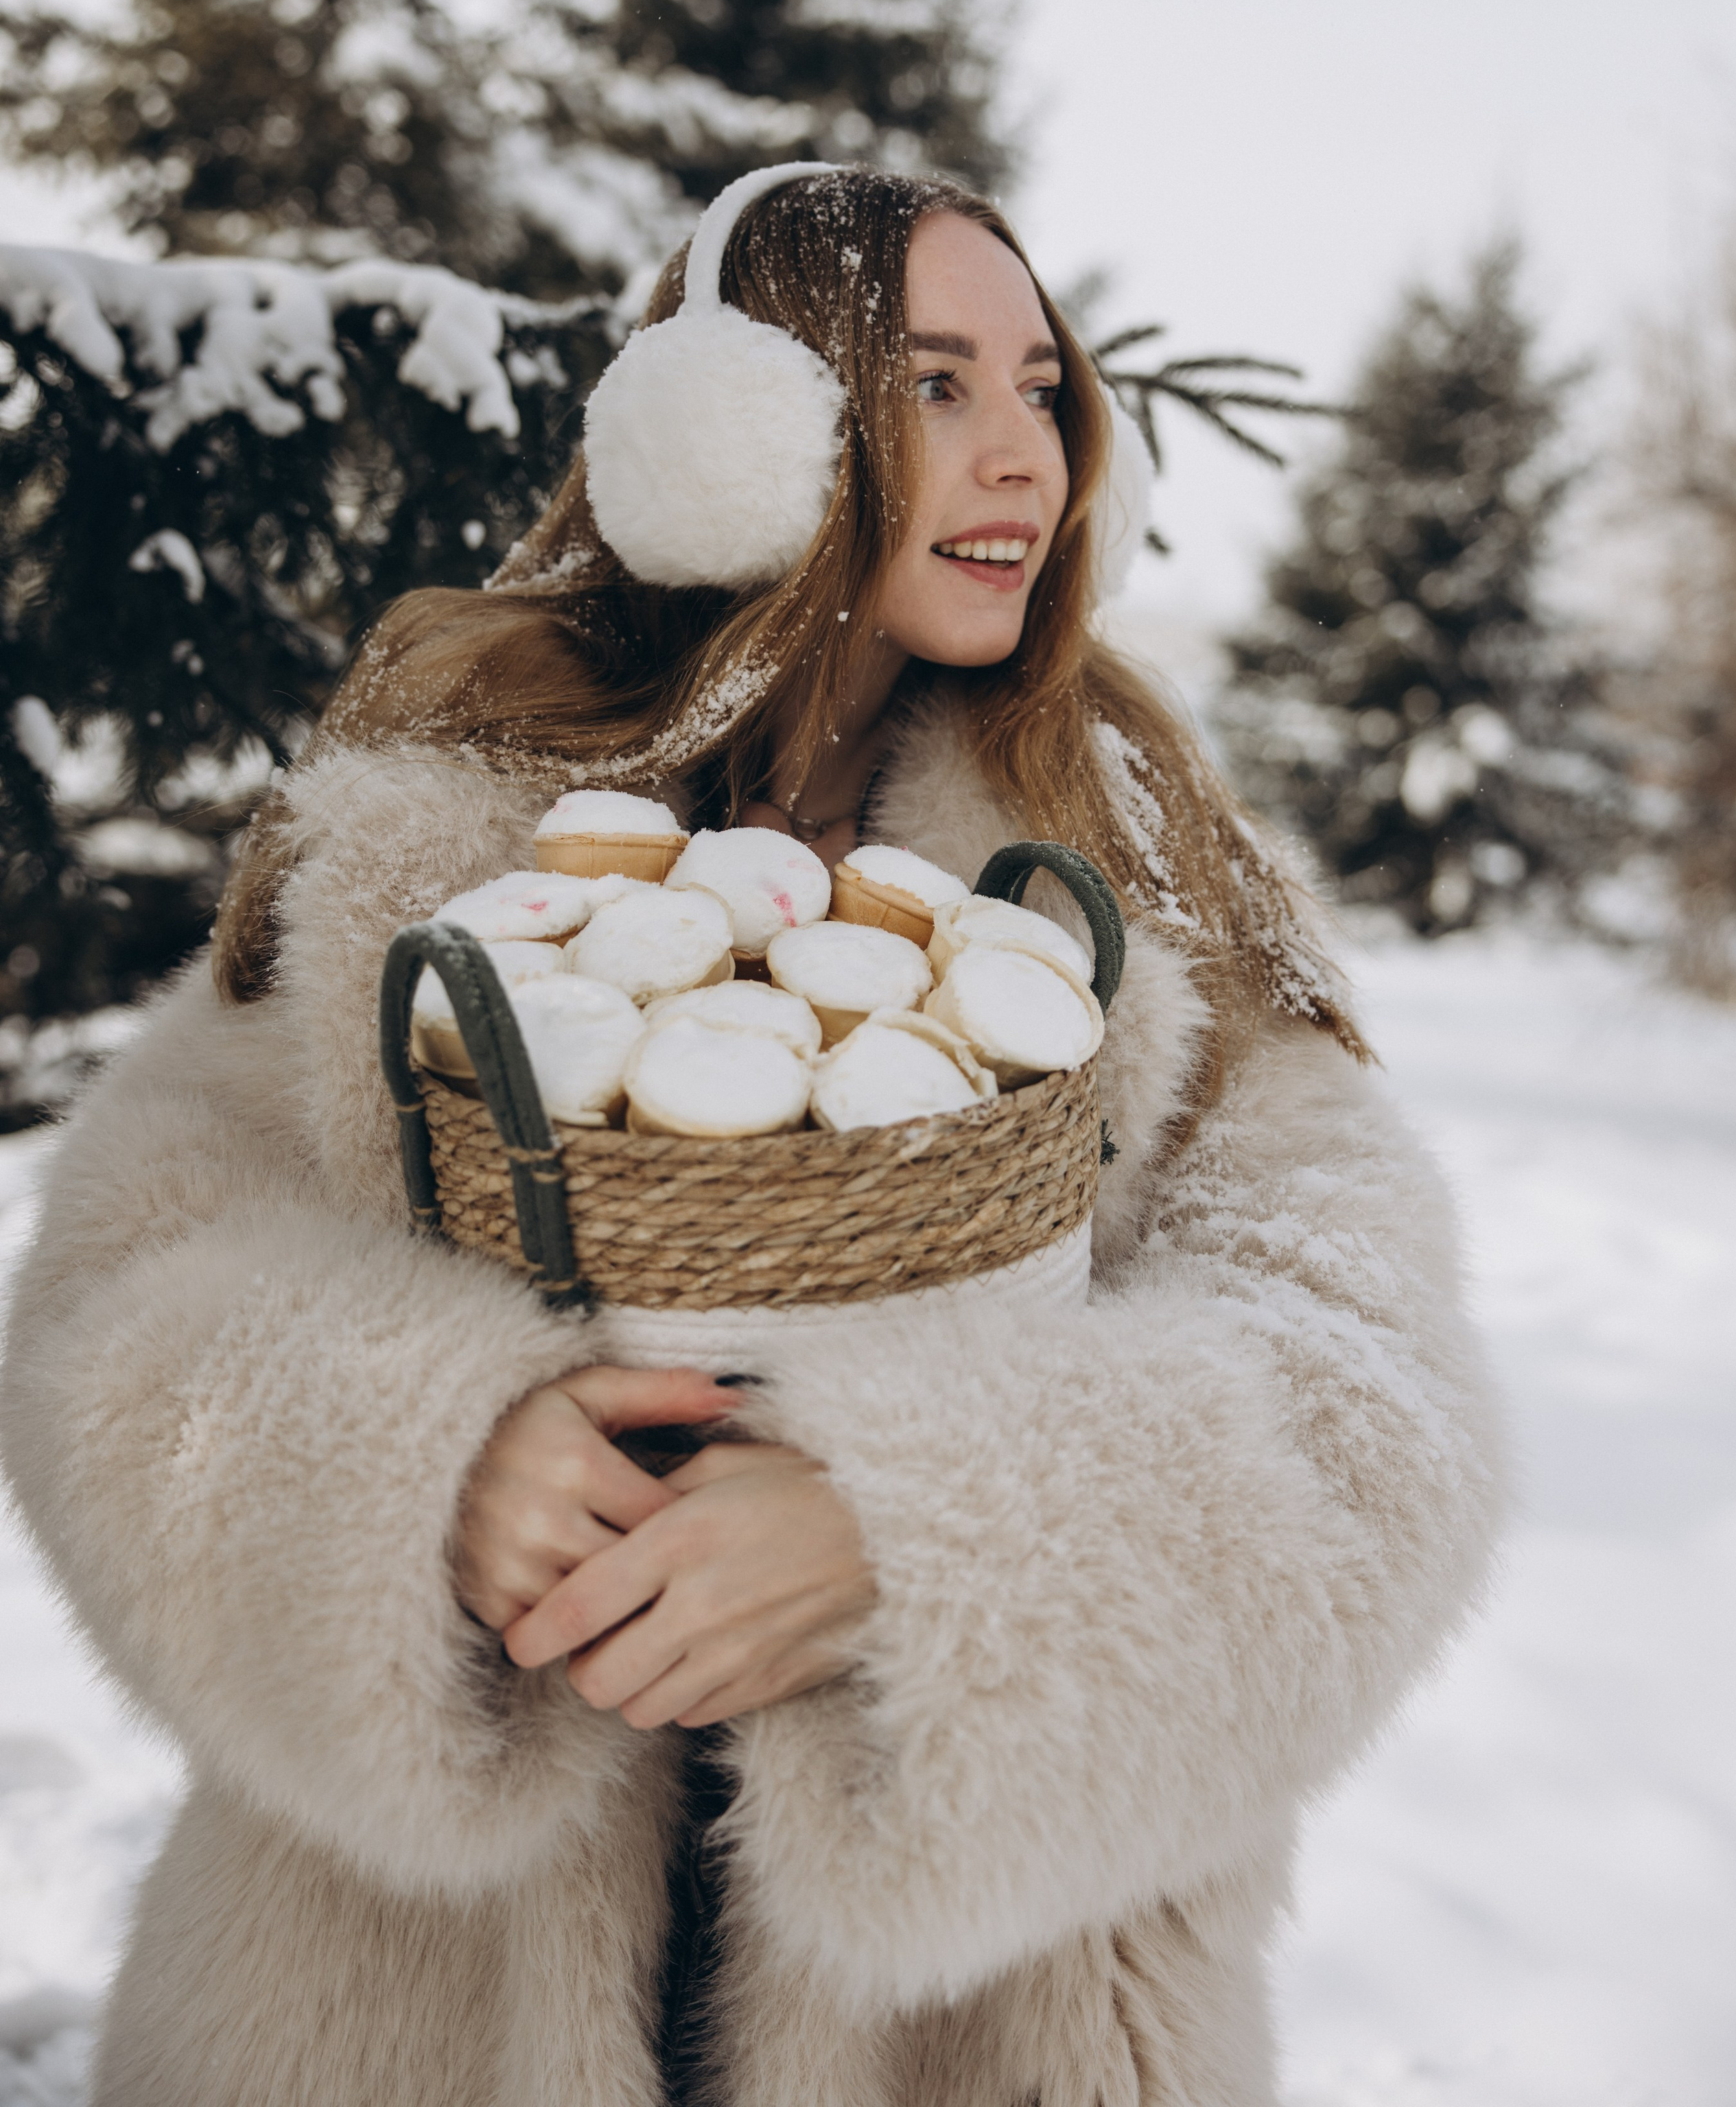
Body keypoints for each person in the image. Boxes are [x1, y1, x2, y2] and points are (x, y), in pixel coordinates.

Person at [0, 165, 1503, 2106]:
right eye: (939, 384)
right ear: (740, 430)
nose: (1022, 457)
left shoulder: (1134, 868)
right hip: (406, 2006)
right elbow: (125, 1299)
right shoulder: (432, 831)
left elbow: (1368, 1398)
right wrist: (423, 1468)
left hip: (983, 2016)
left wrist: (925, 1540)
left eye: (1045, 388)